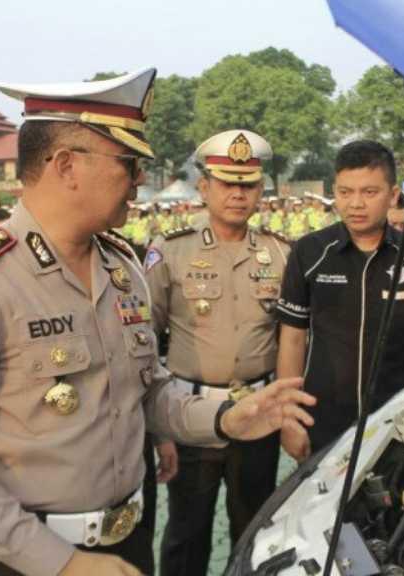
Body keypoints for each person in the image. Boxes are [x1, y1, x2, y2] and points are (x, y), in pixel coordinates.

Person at [0, 69, 315, 576]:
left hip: (125, 543)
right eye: (129, 163)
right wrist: (63, 563)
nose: (141, 180)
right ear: (67, 165)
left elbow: (145, 393)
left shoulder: (122, 268)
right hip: (18, 560)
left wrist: (226, 417)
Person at [145, 129, 291, 576]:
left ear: (261, 190)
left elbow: (292, 337)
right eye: (226, 183)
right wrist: (159, 429)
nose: (238, 194)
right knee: (187, 535)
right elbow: (145, 343)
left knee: (253, 530)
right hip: (192, 417)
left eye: (247, 185)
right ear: (204, 186)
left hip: (258, 414)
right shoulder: (169, 251)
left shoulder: (281, 253)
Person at [276, 140, 404, 462]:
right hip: (322, 418)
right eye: (345, 192)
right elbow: (293, 338)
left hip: (396, 417)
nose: (355, 203)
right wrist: (288, 417)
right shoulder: (310, 252)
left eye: (369, 192)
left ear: (393, 195)